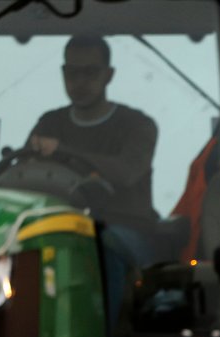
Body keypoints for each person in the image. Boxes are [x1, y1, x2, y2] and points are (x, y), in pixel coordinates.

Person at [26, 35, 158, 219]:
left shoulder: (137, 125)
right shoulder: (49, 123)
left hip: (125, 231)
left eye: (91, 72)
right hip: (58, 224)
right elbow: (23, 173)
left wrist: (60, 152)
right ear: (63, 73)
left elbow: (126, 173)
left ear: (109, 75)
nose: (80, 81)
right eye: (72, 72)